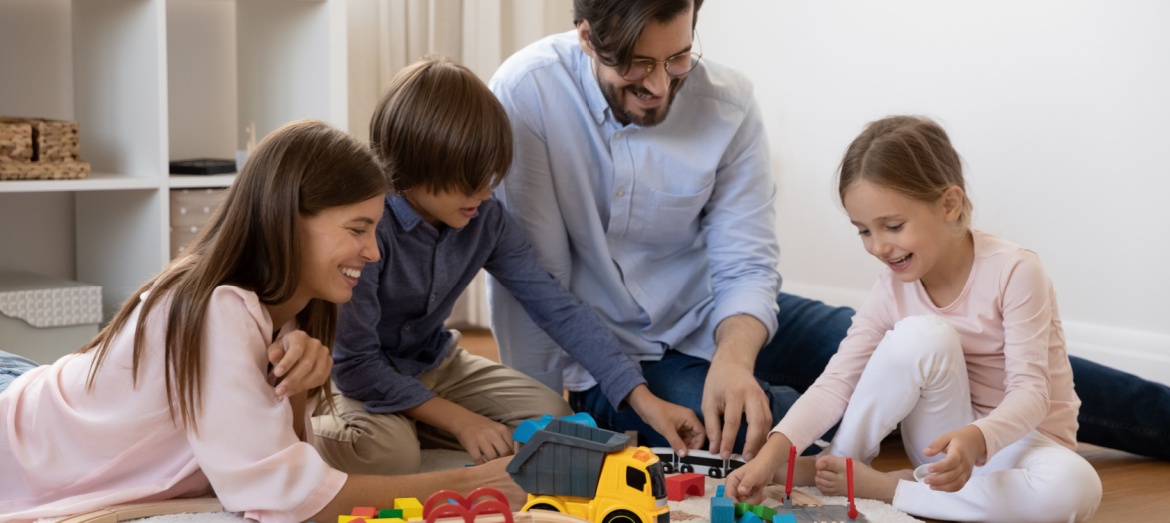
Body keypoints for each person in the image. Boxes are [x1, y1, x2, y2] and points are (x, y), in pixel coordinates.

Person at [487, 0, 1170, 464]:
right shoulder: (527, 97)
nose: (662, 87)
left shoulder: (728, 103)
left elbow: (746, 260)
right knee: (765, 426)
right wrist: (569, 404)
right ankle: (918, 434)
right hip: (618, 357)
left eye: (678, 59)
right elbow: (537, 285)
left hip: (729, 318)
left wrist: (734, 354)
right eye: (637, 68)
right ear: (587, 38)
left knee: (960, 344)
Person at [0, 120, 523, 523]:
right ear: (287, 220)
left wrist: (302, 385)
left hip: (38, 393)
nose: (373, 252)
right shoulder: (214, 312)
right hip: (20, 436)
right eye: (358, 229)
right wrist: (474, 484)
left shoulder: (286, 312)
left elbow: (287, 456)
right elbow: (290, 497)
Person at [310, 57, 705, 476]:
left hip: (432, 364)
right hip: (356, 380)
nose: (483, 193)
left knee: (552, 418)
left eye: (490, 176)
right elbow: (356, 366)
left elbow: (556, 306)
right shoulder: (370, 228)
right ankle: (314, 429)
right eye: (468, 180)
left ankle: (414, 422)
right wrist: (463, 420)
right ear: (413, 164)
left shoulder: (485, 217)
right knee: (387, 455)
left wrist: (643, 398)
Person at [726, 115, 1102, 522]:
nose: (879, 247)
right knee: (920, 336)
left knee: (1077, 486)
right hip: (940, 446)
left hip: (1024, 443)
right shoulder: (892, 286)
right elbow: (837, 382)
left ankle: (892, 489)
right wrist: (772, 454)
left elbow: (1031, 393)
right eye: (863, 231)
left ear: (949, 204)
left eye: (892, 226)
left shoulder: (1015, 269)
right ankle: (842, 463)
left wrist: (977, 438)